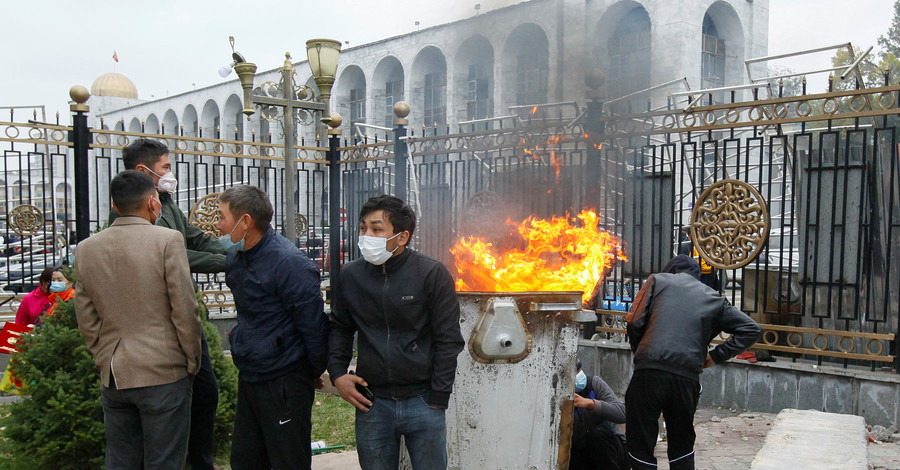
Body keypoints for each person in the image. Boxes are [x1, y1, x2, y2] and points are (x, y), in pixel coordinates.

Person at [74, 170, 201, 469]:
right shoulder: (168, 240)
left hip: (115, 374)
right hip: (164, 370)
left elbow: (86, 315)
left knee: (120, 461)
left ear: (115, 206)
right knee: (165, 461)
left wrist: (103, 355)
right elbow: (184, 308)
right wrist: (191, 359)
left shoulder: (86, 248)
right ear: (152, 202)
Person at [328, 194, 465, 470]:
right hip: (373, 403)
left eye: (376, 229)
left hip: (423, 402)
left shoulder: (431, 274)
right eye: (363, 228)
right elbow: (340, 328)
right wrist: (338, 374)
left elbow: (448, 340)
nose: (367, 235)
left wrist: (437, 399)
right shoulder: (351, 275)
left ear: (401, 237)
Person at [115, 138, 225, 470]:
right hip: (159, 324)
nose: (169, 173)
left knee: (205, 393)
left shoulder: (166, 201)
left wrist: (236, 247)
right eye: (165, 167)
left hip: (185, 318)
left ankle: (199, 462)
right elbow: (177, 253)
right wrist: (228, 263)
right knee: (169, 408)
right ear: (142, 170)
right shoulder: (132, 213)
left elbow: (194, 238)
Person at [215, 184, 329, 470]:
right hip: (251, 374)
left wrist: (313, 371)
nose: (217, 225)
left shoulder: (289, 264)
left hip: (285, 381)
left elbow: (313, 326)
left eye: (221, 217)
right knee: (245, 459)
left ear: (245, 222)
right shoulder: (237, 257)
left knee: (286, 460)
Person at [624, 254, 761, 470]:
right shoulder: (714, 297)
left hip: (649, 373)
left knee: (640, 443)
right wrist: (715, 357)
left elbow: (634, 321)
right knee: (682, 444)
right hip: (687, 378)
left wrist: (639, 352)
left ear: (671, 270)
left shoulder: (658, 280)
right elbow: (751, 329)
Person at [570, 361, 628, 470]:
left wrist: (591, 404)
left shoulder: (594, 384)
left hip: (612, 453)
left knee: (595, 434)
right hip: (582, 454)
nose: (578, 375)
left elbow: (622, 413)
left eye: (579, 371)